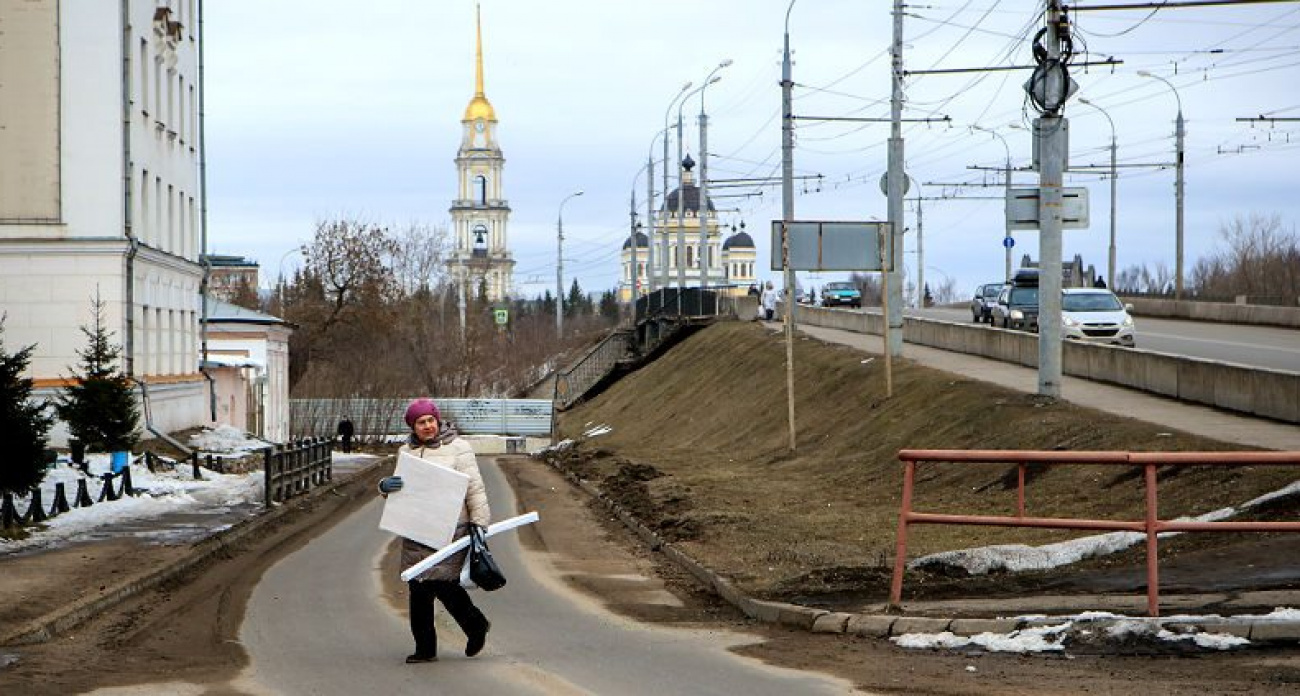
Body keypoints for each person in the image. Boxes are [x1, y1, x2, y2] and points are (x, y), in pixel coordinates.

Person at [377, 398, 492, 664]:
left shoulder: (459, 447)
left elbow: (475, 488)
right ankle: (425, 649)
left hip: (452, 527)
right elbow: (400, 491)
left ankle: (475, 625)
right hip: (416, 528)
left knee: (443, 583)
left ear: (437, 420)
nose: (427, 426)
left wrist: (479, 524)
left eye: (430, 420)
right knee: (418, 588)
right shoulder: (406, 450)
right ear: (413, 426)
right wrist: (384, 487)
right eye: (421, 422)